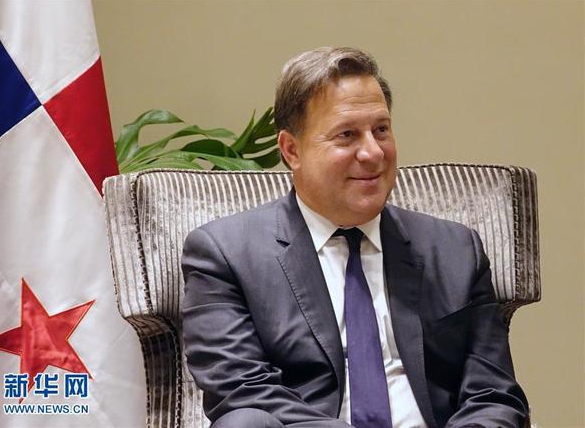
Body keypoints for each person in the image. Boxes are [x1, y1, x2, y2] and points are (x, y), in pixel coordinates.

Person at [181, 47, 529, 428]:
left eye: (381, 130)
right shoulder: (226, 255)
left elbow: (493, 394)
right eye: (347, 135)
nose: (373, 152)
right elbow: (243, 390)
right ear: (291, 150)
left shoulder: (454, 250)